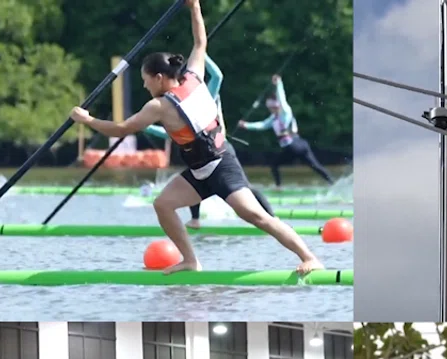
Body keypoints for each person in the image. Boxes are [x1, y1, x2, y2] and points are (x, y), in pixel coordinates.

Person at [69, 0, 322, 275]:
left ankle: (310, 258)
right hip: (200, 171)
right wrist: (195, 7)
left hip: (222, 164)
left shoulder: (159, 106)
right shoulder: (194, 75)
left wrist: (87, 120)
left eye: (146, 80)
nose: (144, 85)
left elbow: (121, 129)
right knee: (163, 205)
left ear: (159, 77)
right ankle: (191, 260)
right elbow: (200, 43)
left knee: (256, 215)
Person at [143, 54, 277, 229]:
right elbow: (173, 135)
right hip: (202, 149)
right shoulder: (179, 102)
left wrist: (202, 54)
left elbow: (217, 76)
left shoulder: (204, 94)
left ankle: (273, 220)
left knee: (244, 188)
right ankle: (196, 219)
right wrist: (146, 126)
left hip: (215, 145)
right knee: (193, 177)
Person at [239, 75, 334, 188]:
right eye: (270, 108)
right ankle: (332, 183)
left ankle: (278, 187)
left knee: (274, 165)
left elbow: (281, 98)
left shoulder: (285, 112)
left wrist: (279, 84)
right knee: (315, 166)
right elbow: (262, 125)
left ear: (276, 106)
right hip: (300, 144)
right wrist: (246, 125)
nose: (271, 110)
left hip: (293, 145)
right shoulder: (273, 118)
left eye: (272, 108)